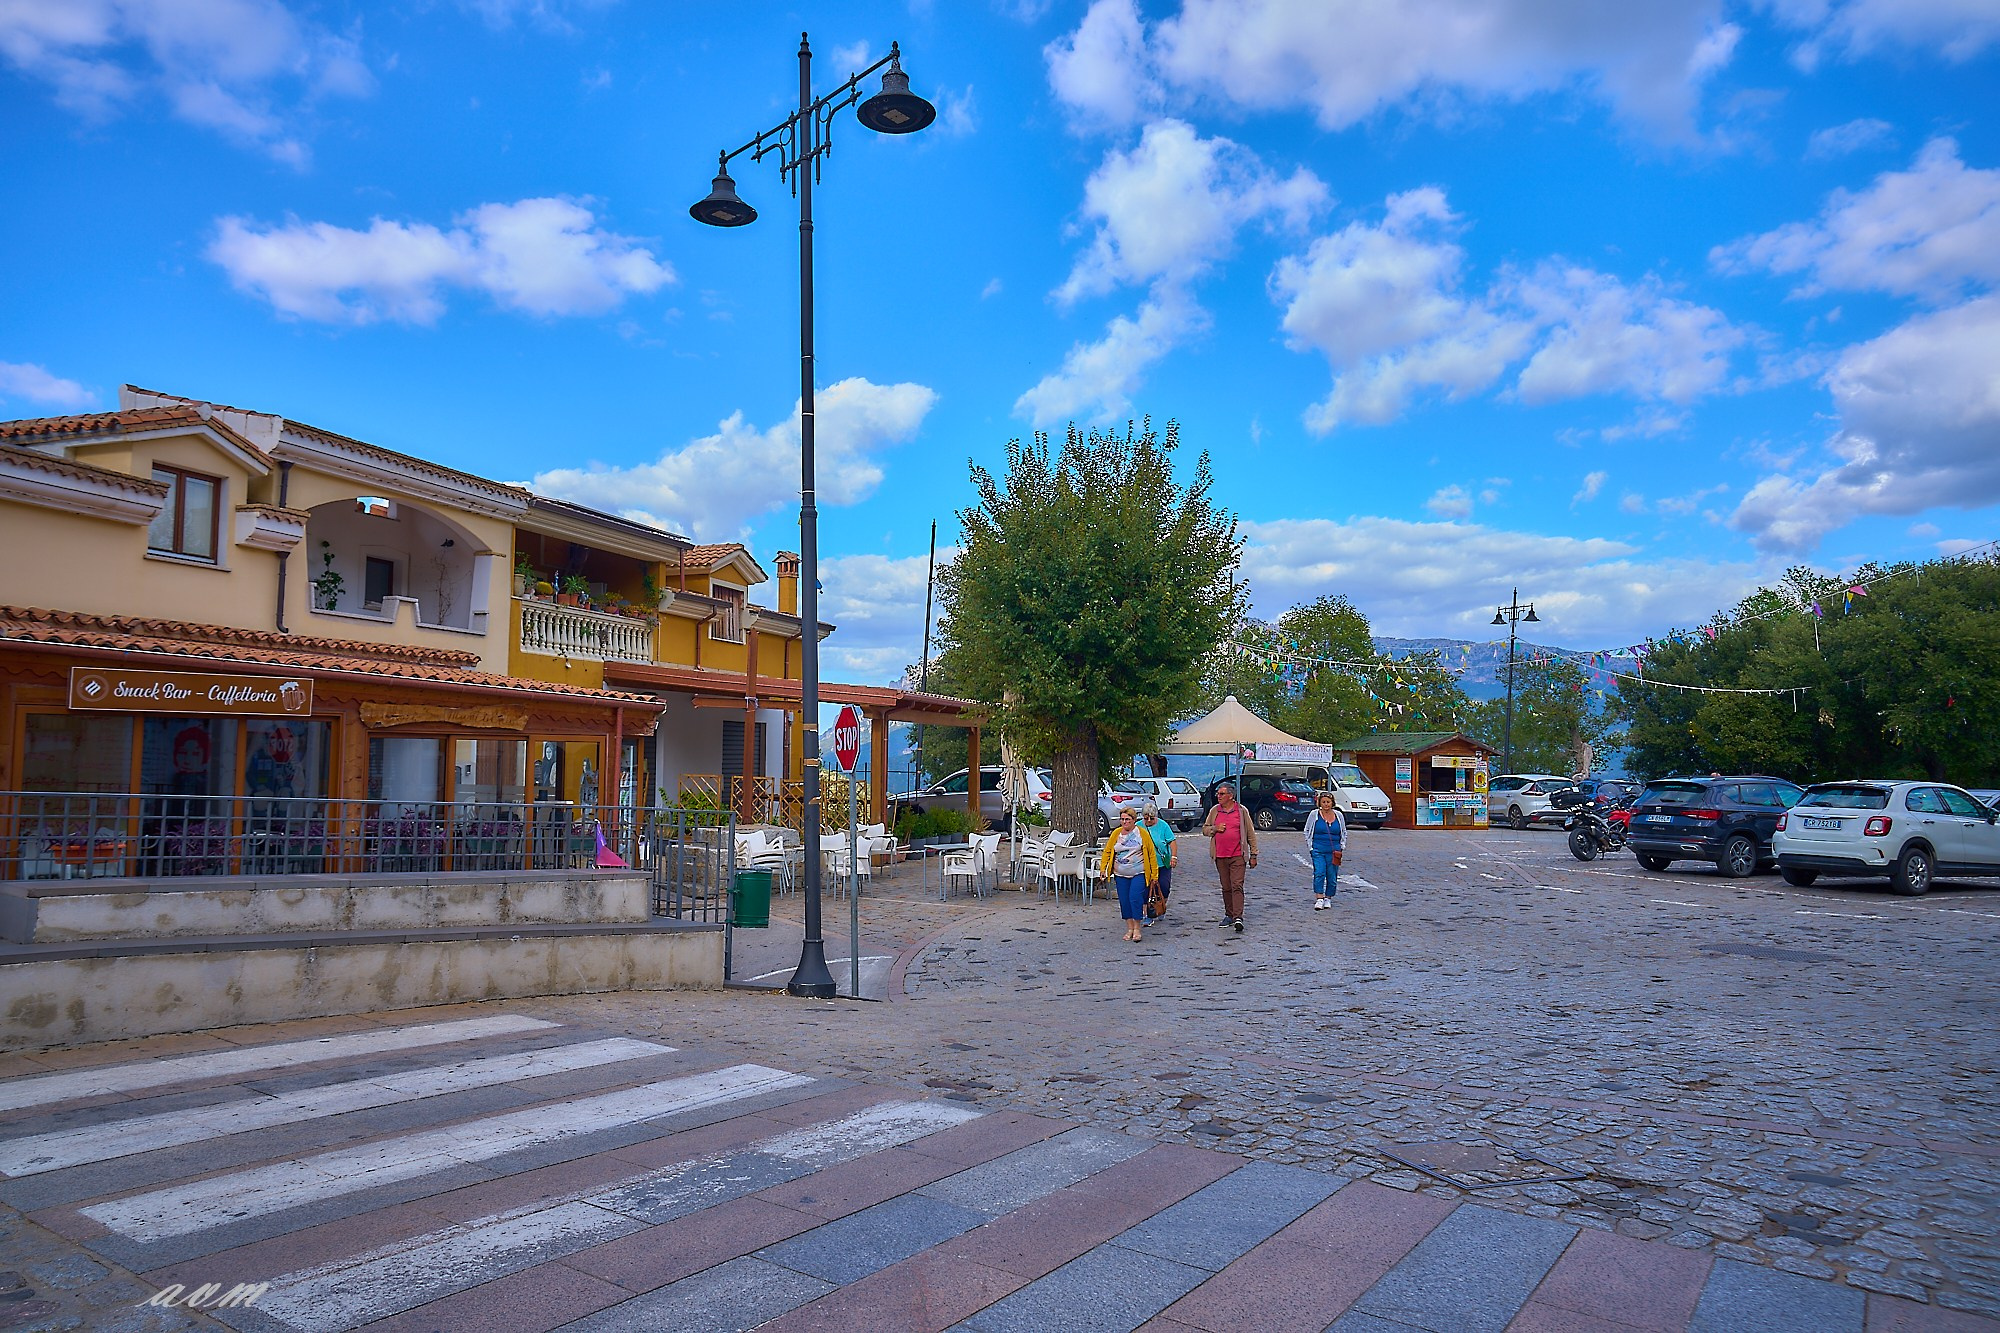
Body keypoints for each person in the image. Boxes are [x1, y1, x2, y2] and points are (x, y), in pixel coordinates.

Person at [1202, 781, 1258, 932]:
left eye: (1221, 794)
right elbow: (1205, 829)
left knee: (1237, 885)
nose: (1218, 796)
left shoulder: (1241, 811)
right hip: (1220, 855)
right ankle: (1229, 914)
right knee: (1226, 886)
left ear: (1231, 796)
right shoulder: (1215, 811)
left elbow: (1250, 833)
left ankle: (1238, 916)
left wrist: (1254, 853)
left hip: (1237, 855)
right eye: (1218, 794)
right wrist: (1214, 829)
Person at [1099, 806, 1160, 943]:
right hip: (1120, 873)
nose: (1125, 822)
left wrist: (1154, 876)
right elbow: (1108, 851)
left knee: (1135, 897)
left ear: (1134, 820)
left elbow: (1151, 854)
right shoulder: (1116, 834)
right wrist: (1104, 868)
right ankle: (1130, 928)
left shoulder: (1142, 834)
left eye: (1128, 819)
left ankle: (1137, 928)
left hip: (1139, 872)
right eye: (1122, 819)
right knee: (1124, 900)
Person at [1304, 790, 1346, 910]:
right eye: (1323, 802)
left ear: (1332, 803)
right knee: (1319, 873)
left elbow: (1343, 832)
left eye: (1328, 802)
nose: (1326, 804)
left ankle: (1328, 897)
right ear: (1319, 803)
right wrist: (1311, 847)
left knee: (1332, 876)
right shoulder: (1314, 814)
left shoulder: (1339, 815)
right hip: (1318, 849)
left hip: (1334, 851)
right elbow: (1307, 830)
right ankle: (1319, 898)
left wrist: (1342, 846)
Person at [1139, 801, 1176, 920]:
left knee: (1164, 887)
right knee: (1146, 889)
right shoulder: (1139, 826)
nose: (1149, 821)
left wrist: (1173, 857)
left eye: (1152, 818)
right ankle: (1147, 913)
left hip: (1162, 862)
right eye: (1146, 818)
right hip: (1145, 864)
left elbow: (1172, 841)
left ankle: (1161, 907)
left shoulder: (1163, 826)